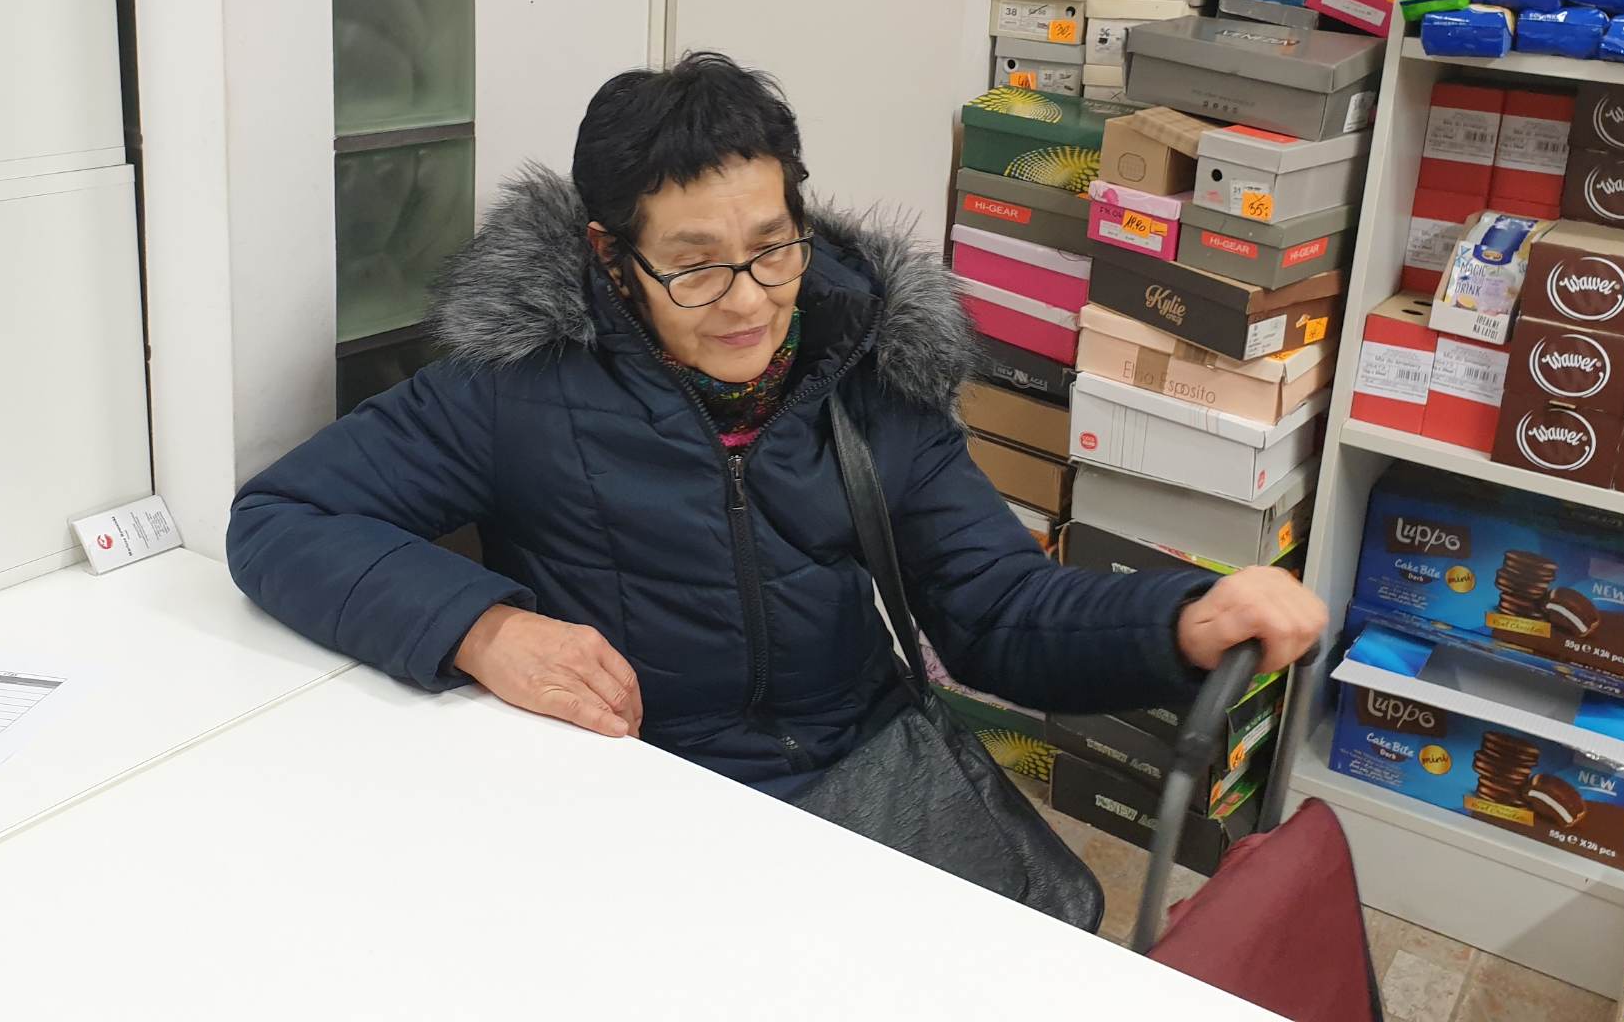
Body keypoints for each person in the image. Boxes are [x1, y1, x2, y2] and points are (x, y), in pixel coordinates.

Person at [228, 53, 1325, 793]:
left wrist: (1180, 621)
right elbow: (282, 518)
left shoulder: (870, 367)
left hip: (858, 769)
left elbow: (996, 610)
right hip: (638, 788)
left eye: (772, 247)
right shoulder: (522, 384)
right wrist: (483, 629)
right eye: (696, 265)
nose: (749, 301)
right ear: (612, 257)